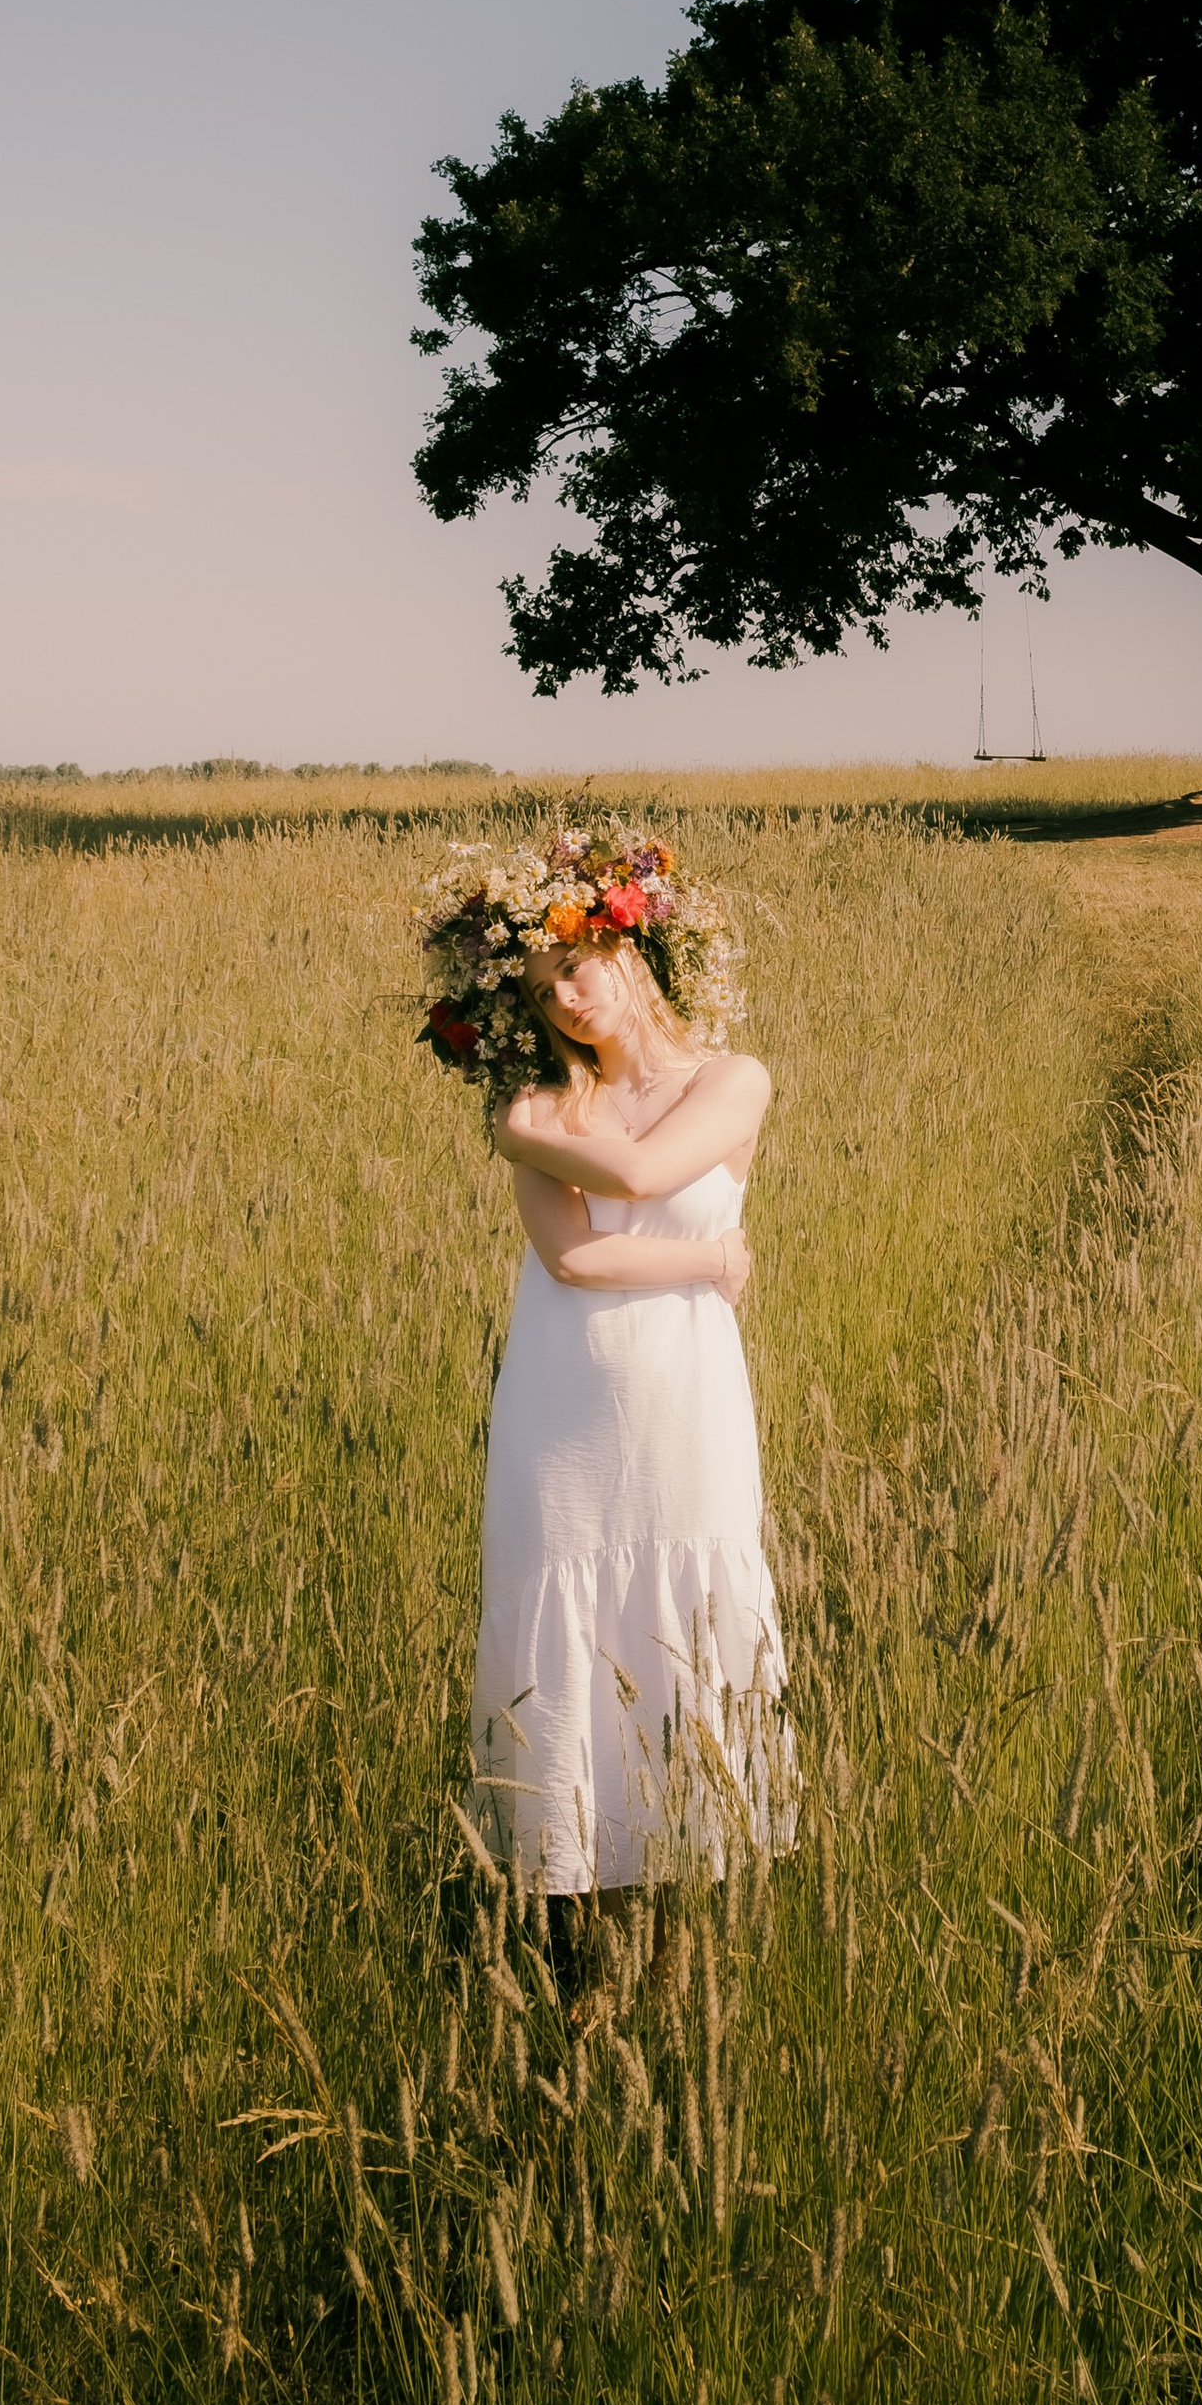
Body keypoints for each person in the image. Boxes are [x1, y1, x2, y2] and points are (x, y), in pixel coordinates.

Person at [415, 820, 793, 1959]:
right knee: (561, 1636)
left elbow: (638, 1178)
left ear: (629, 950)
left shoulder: (734, 1079)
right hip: (563, 1413)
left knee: (683, 1637)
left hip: (686, 1412)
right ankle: (572, 1934)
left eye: (574, 964)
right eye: (538, 991)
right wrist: (708, 1261)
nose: (566, 999)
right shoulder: (530, 1115)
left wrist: (683, 1254)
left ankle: (679, 1944)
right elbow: (577, 1257)